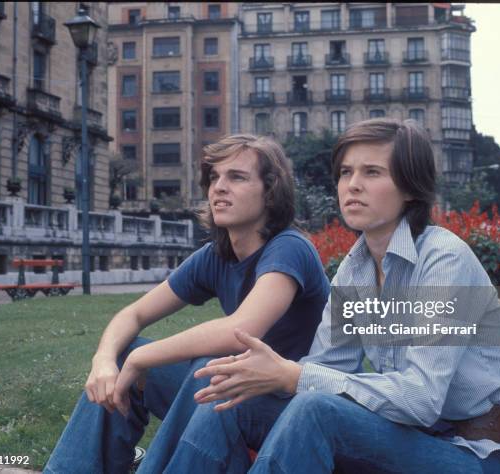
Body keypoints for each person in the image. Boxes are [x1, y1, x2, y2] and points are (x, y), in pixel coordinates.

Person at [167, 119, 500, 474]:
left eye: (372, 172)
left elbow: (421, 399)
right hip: (410, 437)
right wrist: (267, 374)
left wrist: (293, 375)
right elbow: (329, 366)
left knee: (315, 409)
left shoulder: (443, 259)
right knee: (228, 396)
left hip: (475, 455)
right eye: (346, 172)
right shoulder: (355, 268)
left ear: (410, 187)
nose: (352, 185)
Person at [43, 134, 330, 474]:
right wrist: (104, 359)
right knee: (123, 355)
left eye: (236, 177)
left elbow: (239, 329)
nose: (218, 188)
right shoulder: (215, 256)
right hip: (230, 395)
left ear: (270, 191)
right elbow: (133, 313)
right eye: (214, 177)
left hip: (289, 407)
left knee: (208, 368)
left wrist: (142, 357)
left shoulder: (290, 247)